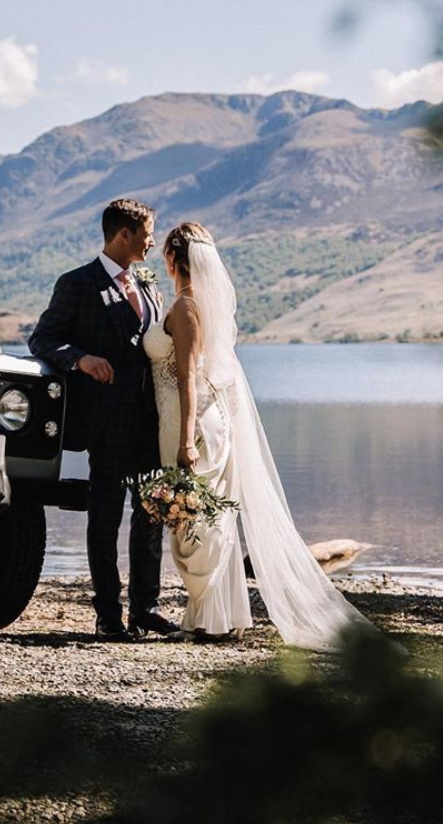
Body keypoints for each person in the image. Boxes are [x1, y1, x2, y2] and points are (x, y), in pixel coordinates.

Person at [144, 221, 373, 650]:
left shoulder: (186, 309)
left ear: (175, 260)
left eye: (166, 255)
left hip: (190, 423)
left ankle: (209, 621)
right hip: (202, 419)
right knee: (207, 520)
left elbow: (189, 377)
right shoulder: (193, 305)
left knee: (197, 521)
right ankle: (216, 617)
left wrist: (185, 441)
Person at [29, 198, 177, 641]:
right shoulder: (77, 284)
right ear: (123, 235)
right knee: (105, 519)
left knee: (151, 514)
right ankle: (108, 614)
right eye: (147, 232)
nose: (153, 241)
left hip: (149, 423)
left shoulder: (148, 286)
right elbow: (43, 339)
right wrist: (81, 359)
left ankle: (145, 609)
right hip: (105, 425)